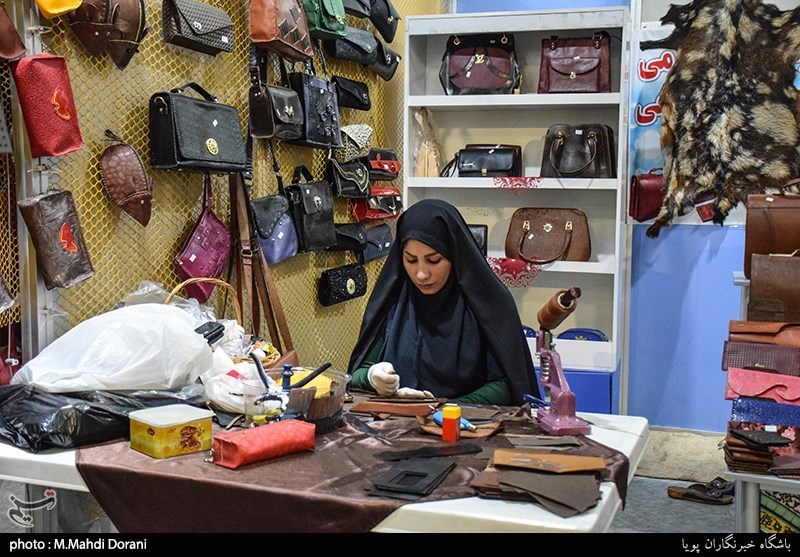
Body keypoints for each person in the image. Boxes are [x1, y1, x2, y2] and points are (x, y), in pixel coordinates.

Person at [348, 199, 540, 406]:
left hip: (464, 421)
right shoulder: (393, 301)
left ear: (454, 254)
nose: (421, 274)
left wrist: (445, 408)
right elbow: (357, 373)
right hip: (396, 421)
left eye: (434, 260)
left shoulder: (487, 305)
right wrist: (371, 377)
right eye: (411, 260)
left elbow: (507, 385)